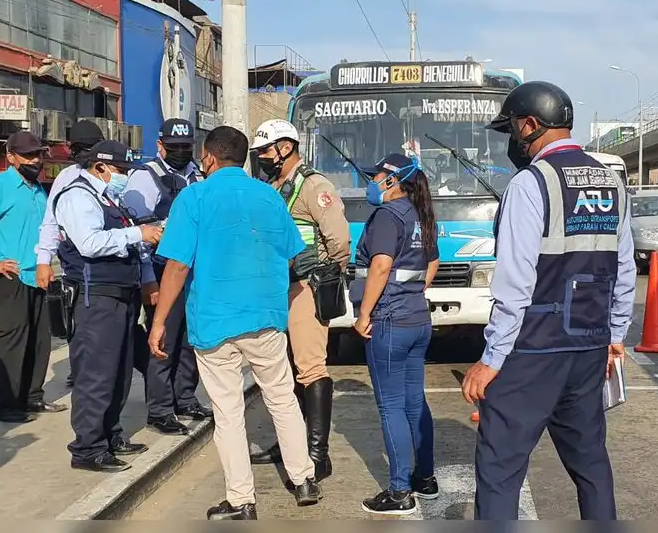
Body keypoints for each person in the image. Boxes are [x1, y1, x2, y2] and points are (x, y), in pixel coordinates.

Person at [462, 81, 635, 520]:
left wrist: (492, 359)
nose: (513, 141)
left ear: (530, 124)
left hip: (534, 349)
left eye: (513, 130)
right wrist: (615, 336)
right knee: (591, 462)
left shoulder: (530, 183)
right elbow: (625, 268)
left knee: (500, 469)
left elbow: (516, 281)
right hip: (589, 345)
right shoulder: (612, 182)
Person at [149, 125, 321, 520]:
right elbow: (295, 251)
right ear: (244, 157)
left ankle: (241, 500)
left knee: (228, 413)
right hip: (266, 317)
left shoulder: (193, 197)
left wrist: (159, 322)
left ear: (208, 158)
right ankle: (304, 479)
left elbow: (176, 265)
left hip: (215, 321)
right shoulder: (270, 196)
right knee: (281, 397)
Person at [247, 119, 350, 482]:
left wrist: (324, 274)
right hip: (277, 288)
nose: (261, 158)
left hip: (306, 287)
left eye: (265, 151)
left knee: (310, 367)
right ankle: (293, 443)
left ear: (285, 147)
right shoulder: (272, 186)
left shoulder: (313, 186)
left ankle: (318, 455)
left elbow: (338, 240)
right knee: (283, 370)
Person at [54, 140, 162, 472]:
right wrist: (138, 235)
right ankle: (88, 447)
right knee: (96, 374)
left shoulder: (106, 197)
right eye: (120, 171)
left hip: (120, 293)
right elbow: (89, 243)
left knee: (118, 371)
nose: (124, 177)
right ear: (100, 167)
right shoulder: (77, 196)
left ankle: (111, 435)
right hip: (94, 296)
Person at [348, 153, 440, 516]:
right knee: (414, 401)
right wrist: (414, 293)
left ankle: (400, 490)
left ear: (394, 181)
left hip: (389, 321)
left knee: (390, 406)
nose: (370, 182)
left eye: (377, 176)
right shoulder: (420, 214)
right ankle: (425, 479)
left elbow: (381, 264)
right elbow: (432, 261)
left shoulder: (388, 215)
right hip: (417, 319)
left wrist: (365, 314)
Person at [0, 131, 65, 423]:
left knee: (40, 339)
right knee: (13, 339)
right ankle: (5, 405)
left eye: (39, 154)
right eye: (28, 155)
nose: (35, 160)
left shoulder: (39, 190)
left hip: (40, 274)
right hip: (11, 276)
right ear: (11, 157)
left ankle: (32, 397)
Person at [121, 117, 212, 436]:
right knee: (163, 340)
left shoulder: (198, 176)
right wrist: (148, 279)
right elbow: (141, 234)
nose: (180, 153)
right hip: (163, 270)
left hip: (194, 271)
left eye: (186, 148)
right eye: (174, 148)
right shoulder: (145, 178)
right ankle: (160, 409)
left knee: (190, 339)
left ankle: (184, 397)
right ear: (160, 146)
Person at [35, 119, 106, 387]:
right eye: (79, 147)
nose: (84, 152)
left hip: (113, 268)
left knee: (118, 333)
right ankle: (80, 374)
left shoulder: (115, 173)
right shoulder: (66, 177)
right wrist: (44, 261)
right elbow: (51, 222)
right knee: (78, 331)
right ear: (69, 149)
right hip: (77, 269)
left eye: (90, 146)